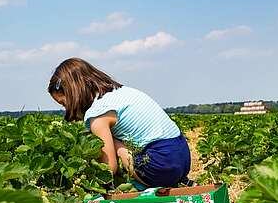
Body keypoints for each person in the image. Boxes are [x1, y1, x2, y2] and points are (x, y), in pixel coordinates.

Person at [47, 58, 191, 190]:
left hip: (162, 167)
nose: (65, 109)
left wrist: (88, 176)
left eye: (63, 103)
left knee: (109, 141)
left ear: (73, 94)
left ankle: (145, 182)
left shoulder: (97, 114)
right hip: (183, 158)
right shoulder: (122, 91)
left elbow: (110, 168)